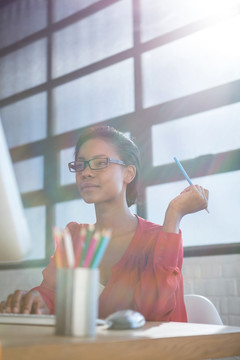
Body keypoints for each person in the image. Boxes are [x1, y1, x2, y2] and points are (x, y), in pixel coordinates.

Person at [0, 125, 208, 321]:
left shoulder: (160, 240)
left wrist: (174, 215)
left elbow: (154, 314)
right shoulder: (74, 237)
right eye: (80, 164)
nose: (86, 172)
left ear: (129, 173)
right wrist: (34, 302)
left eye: (100, 163)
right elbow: (51, 295)